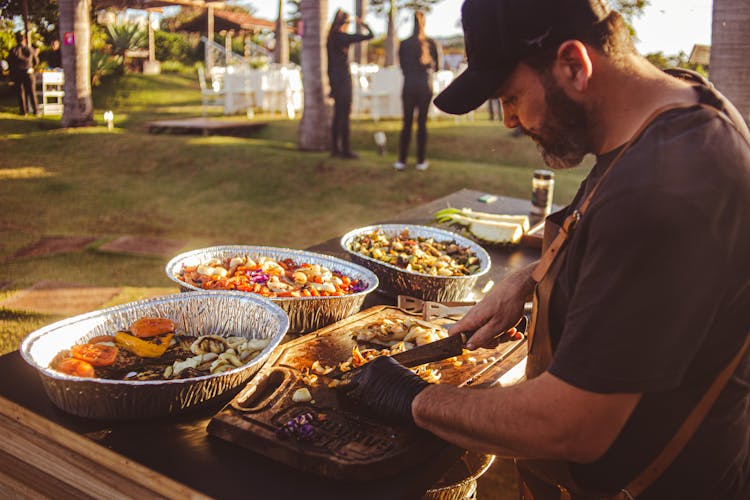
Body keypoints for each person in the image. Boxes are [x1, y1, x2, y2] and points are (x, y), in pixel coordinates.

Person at [342, 1, 750, 499]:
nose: (510, 120)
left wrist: (411, 398)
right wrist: (529, 279)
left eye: (511, 96)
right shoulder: (671, 107)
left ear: (575, 65)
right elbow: (637, 259)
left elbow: (570, 425)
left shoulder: (666, 183)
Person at [393, 11, 442, 171]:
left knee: (406, 123)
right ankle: (421, 161)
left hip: (409, 86)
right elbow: (438, 67)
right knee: (422, 124)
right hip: (425, 87)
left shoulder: (405, 44)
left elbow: (402, 67)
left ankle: (402, 160)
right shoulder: (432, 43)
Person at [326, 9, 374, 159]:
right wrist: (362, 24)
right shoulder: (342, 37)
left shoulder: (331, 37)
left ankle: (335, 149)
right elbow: (370, 36)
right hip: (343, 80)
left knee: (337, 115)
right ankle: (345, 150)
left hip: (334, 79)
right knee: (344, 115)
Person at [7, 32, 39, 116]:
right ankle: (36, 110)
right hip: (29, 71)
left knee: (21, 92)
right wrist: (32, 67)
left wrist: (11, 76)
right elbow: (36, 61)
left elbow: (10, 63)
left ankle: (24, 111)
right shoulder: (30, 49)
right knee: (32, 92)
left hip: (18, 73)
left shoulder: (14, 50)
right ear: (24, 39)